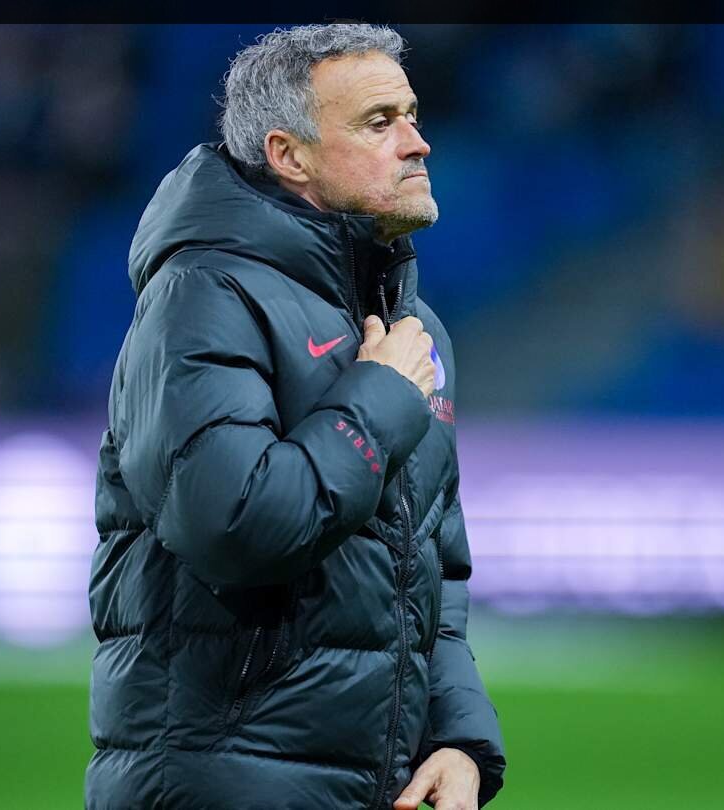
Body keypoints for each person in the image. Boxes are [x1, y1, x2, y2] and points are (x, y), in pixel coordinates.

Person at [86, 23, 506, 809]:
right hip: (223, 782)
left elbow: (431, 573)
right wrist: (380, 400)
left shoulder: (413, 330)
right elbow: (232, 522)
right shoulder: (203, 295)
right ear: (289, 155)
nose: (417, 142)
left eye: (412, 115)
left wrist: (458, 739)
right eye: (379, 122)